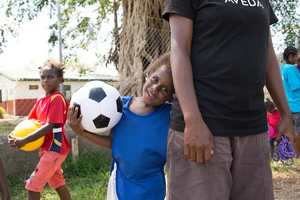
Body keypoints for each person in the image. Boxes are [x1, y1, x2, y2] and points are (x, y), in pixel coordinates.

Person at [162, 1, 295, 200]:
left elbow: (267, 54)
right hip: (204, 126)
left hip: (253, 128)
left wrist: (285, 114)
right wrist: (193, 120)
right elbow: (179, 48)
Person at [67, 52, 174, 200]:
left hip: (152, 189)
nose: (155, 88)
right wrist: (82, 133)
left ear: (171, 97)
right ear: (148, 75)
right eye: (155, 79)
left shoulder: (169, 115)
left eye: (165, 89)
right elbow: (113, 143)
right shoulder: (118, 106)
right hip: (120, 187)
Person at [8, 61, 71, 200]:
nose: (46, 80)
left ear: (59, 80)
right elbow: (29, 122)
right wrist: (14, 134)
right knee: (58, 183)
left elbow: (49, 126)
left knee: (32, 185)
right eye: (43, 77)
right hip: (47, 149)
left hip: (55, 148)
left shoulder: (57, 99)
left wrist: (24, 140)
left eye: (50, 77)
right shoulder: (41, 99)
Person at [280, 46, 300, 158]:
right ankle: (296, 155)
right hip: (298, 104)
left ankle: (290, 152)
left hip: (290, 104)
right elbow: (295, 87)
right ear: (290, 56)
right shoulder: (291, 69)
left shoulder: (282, 67)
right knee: (298, 131)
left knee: (292, 130)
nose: (297, 59)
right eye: (296, 56)